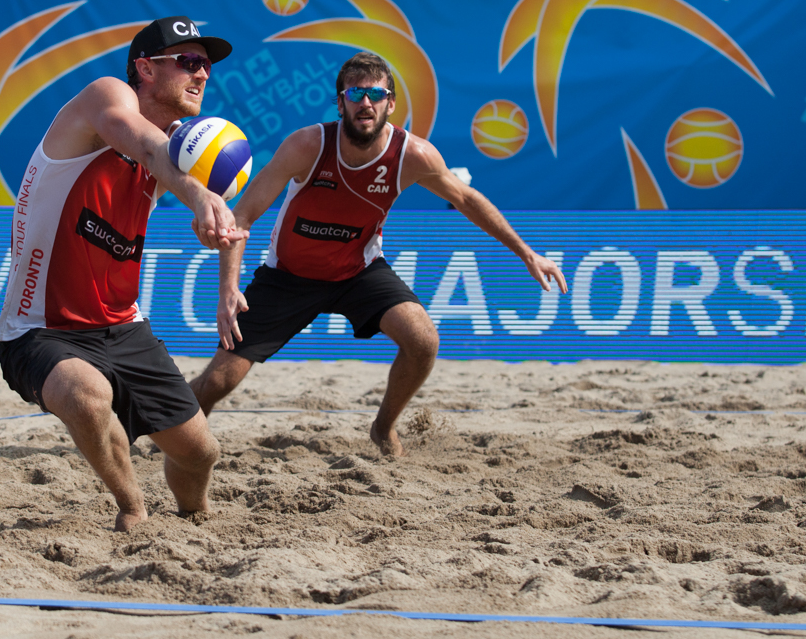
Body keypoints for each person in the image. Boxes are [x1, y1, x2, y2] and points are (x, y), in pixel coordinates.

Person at [191, 53, 565, 458]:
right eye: (355, 92)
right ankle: (180, 432)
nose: (365, 102)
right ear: (340, 102)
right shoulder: (307, 145)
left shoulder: (414, 155)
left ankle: (383, 429)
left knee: (423, 341)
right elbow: (241, 217)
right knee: (217, 382)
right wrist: (228, 288)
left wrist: (527, 254)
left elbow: (468, 199)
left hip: (358, 272)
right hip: (288, 277)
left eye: (375, 93)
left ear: (390, 103)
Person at [0, 15, 239, 533]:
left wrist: (226, 277)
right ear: (145, 69)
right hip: (40, 330)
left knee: (200, 454)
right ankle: (133, 509)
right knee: (86, 394)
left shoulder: (183, 144)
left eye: (207, 66)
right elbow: (148, 150)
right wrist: (196, 193)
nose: (202, 75)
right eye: (190, 62)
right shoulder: (107, 99)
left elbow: (238, 215)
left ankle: (194, 519)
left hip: (123, 327)